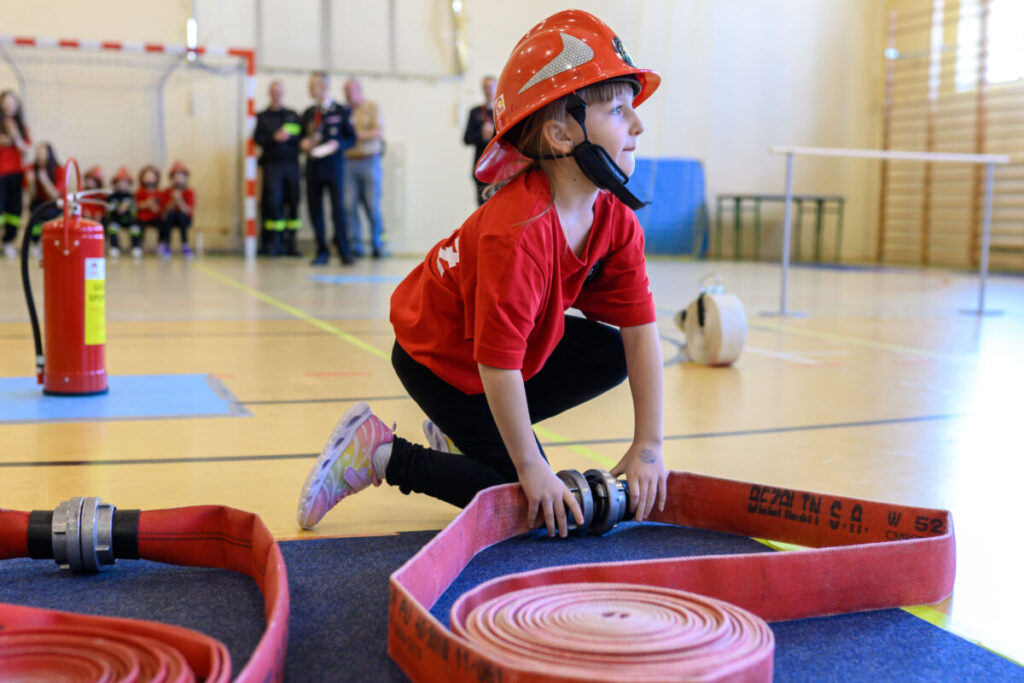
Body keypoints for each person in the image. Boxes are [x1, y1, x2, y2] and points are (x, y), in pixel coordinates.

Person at [296, 10, 667, 538]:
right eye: (617, 109)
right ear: (561, 133)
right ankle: (379, 453)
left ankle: (469, 434)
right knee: (526, 504)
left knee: (611, 356)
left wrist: (648, 447)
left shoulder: (616, 221)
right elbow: (496, 365)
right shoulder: (517, 234)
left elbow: (640, 332)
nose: (638, 125)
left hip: (497, 354)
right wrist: (531, 468)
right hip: (440, 356)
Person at [300, 71, 356, 266]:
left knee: (338, 210)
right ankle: (321, 251)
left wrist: (337, 145)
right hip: (313, 168)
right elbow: (299, 136)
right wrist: (303, 143)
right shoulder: (308, 113)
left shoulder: (340, 111)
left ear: (323, 87)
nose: (309, 89)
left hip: (334, 168)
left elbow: (351, 138)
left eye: (312, 85)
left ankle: (343, 250)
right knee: (315, 211)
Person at [254, 80, 303, 257]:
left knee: (293, 202)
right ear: (270, 93)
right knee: (272, 203)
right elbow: (257, 139)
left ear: (283, 93)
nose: (277, 94)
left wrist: (289, 137)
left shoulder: (292, 115)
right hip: (272, 165)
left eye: (279, 91)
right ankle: (272, 243)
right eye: (273, 91)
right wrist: (274, 137)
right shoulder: (263, 117)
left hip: (291, 165)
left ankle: (291, 244)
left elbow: (300, 138)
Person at [343, 78, 386, 258]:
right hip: (348, 163)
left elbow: (378, 131)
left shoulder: (372, 107)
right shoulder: (344, 111)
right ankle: (356, 245)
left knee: (372, 206)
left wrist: (358, 135)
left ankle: (378, 244)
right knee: (348, 206)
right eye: (346, 92)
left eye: (351, 91)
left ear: (359, 91)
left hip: (369, 161)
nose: (348, 95)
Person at [0, 90, 31, 259]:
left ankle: (8, 242)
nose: (8, 105)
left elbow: (24, 149)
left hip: (16, 174)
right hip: (0, 174)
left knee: (14, 211)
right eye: (5, 102)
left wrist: (15, 134)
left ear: (16, 105)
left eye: (11, 102)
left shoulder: (22, 127)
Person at [26, 142, 65, 260]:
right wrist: (31, 183)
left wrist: (44, 180)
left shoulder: (58, 170)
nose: (39, 156)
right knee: (34, 217)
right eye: (38, 153)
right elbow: (32, 196)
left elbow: (55, 195)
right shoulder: (31, 169)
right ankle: (35, 244)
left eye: (43, 153)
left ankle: (50, 244)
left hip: (54, 203)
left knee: (48, 215)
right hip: (38, 202)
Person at [462, 75, 497, 205]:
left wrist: (492, 134)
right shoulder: (475, 112)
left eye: (491, 87)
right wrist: (481, 135)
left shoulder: (501, 111)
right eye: (485, 88)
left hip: (500, 167)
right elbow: (466, 138)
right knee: (482, 207)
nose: (488, 91)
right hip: (481, 167)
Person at [161, 160, 195, 259]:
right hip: (170, 219)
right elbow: (165, 211)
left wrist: (179, 200)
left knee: (181, 215)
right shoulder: (167, 192)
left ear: (185, 178)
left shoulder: (189, 192)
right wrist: (172, 200)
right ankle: (167, 245)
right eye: (175, 177)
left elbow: (187, 211)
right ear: (171, 178)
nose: (178, 179)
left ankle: (185, 245)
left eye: (181, 177)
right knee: (170, 215)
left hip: (184, 219)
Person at [106, 166, 142, 259]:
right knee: (112, 227)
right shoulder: (112, 196)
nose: (122, 185)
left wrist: (131, 208)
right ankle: (114, 247)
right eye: (120, 183)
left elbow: (134, 211)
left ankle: (135, 247)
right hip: (116, 220)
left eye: (125, 183)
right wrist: (117, 208)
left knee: (135, 228)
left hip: (129, 220)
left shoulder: (131, 196)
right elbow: (108, 210)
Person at [136, 165, 163, 256]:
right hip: (143, 218)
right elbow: (137, 205)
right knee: (139, 225)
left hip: (155, 218)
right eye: (147, 177)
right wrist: (147, 204)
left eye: (151, 177)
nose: (149, 179)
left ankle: (161, 244)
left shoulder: (159, 193)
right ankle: (141, 245)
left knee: (163, 225)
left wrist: (155, 207)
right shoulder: (140, 192)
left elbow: (161, 207)